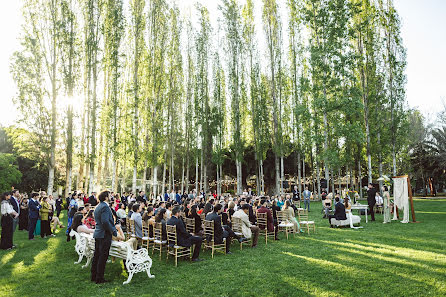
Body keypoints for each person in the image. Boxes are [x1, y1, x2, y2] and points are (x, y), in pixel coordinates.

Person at [91, 191, 118, 284]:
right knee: (103, 256)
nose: (111, 196)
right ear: (106, 197)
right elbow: (105, 222)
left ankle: (94, 276)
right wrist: (113, 231)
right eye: (110, 195)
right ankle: (99, 278)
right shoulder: (105, 207)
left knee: (97, 255)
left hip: (98, 233)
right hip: (104, 234)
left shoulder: (98, 206)